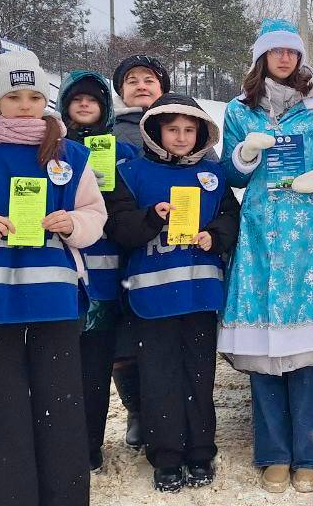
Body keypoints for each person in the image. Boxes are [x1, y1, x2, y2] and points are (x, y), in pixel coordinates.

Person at [0, 50, 107, 506]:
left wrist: (73, 223)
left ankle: (64, 494)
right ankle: (5, 494)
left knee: (61, 403)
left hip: (54, 294)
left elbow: (95, 214)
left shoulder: (70, 153)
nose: (26, 104)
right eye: (14, 96)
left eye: (34, 95)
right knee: (0, 405)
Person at [218, 19, 313, 494]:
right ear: (261, 58)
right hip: (261, 232)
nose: (285, 59)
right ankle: (273, 454)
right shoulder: (239, 111)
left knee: (306, 356)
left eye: (292, 52)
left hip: (307, 235)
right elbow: (232, 177)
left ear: (300, 58)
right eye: (276, 52)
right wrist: (244, 152)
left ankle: (309, 455)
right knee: (264, 354)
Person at [103, 93, 240, 492]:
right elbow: (119, 227)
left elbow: (231, 218)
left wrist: (213, 237)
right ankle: (165, 456)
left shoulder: (212, 176)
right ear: (156, 131)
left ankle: (200, 450)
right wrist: (150, 218)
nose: (180, 137)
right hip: (152, 297)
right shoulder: (132, 173)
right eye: (172, 129)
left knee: (199, 375)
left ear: (200, 134)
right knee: (159, 377)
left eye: (188, 130)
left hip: (199, 293)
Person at [57, 69, 139, 471]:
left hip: (108, 281)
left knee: (97, 369)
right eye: (77, 99)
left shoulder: (122, 151)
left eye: (93, 99)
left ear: (105, 107)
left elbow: (131, 206)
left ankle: (90, 445)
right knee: (60, 369)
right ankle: (65, 444)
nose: (85, 105)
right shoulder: (50, 151)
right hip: (63, 280)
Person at [109, 53, 172, 449]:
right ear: (120, 91)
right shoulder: (109, 134)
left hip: (172, 247)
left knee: (165, 333)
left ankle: (169, 408)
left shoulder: (183, 125)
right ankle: (136, 410)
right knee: (123, 336)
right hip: (118, 244)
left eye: (148, 78)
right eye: (131, 79)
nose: (141, 85)